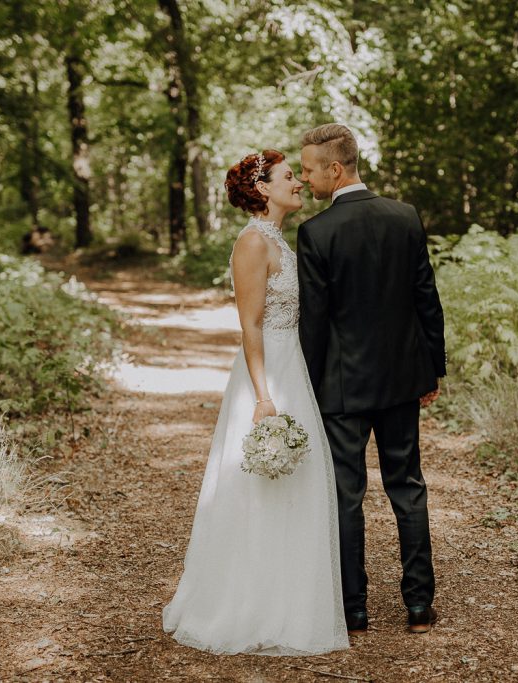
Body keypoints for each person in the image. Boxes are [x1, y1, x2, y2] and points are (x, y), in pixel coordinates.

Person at [162, 150, 349, 655]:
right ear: (263, 188)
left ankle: (288, 601)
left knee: (298, 485)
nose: (298, 183)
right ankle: (245, 603)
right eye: (289, 177)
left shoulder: (280, 242)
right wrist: (264, 396)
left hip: (296, 369)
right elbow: (250, 325)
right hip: (268, 375)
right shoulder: (251, 243)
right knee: (259, 489)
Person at [297, 123, 447, 635]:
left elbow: (314, 323)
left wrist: (308, 386)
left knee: (346, 494)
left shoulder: (317, 232)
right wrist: (432, 369)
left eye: (310, 169)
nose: (305, 178)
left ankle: (353, 609)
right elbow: (425, 297)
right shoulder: (404, 216)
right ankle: (419, 604)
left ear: (335, 169)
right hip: (403, 378)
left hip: (343, 387)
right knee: (408, 487)